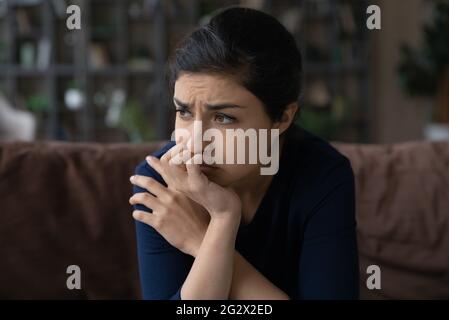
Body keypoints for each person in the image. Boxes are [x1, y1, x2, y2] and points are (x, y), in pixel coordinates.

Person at [129, 7, 359, 300]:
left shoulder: (323, 176)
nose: (196, 142)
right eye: (184, 112)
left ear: (283, 118)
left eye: (224, 118)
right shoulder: (160, 184)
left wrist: (204, 239)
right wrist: (223, 222)